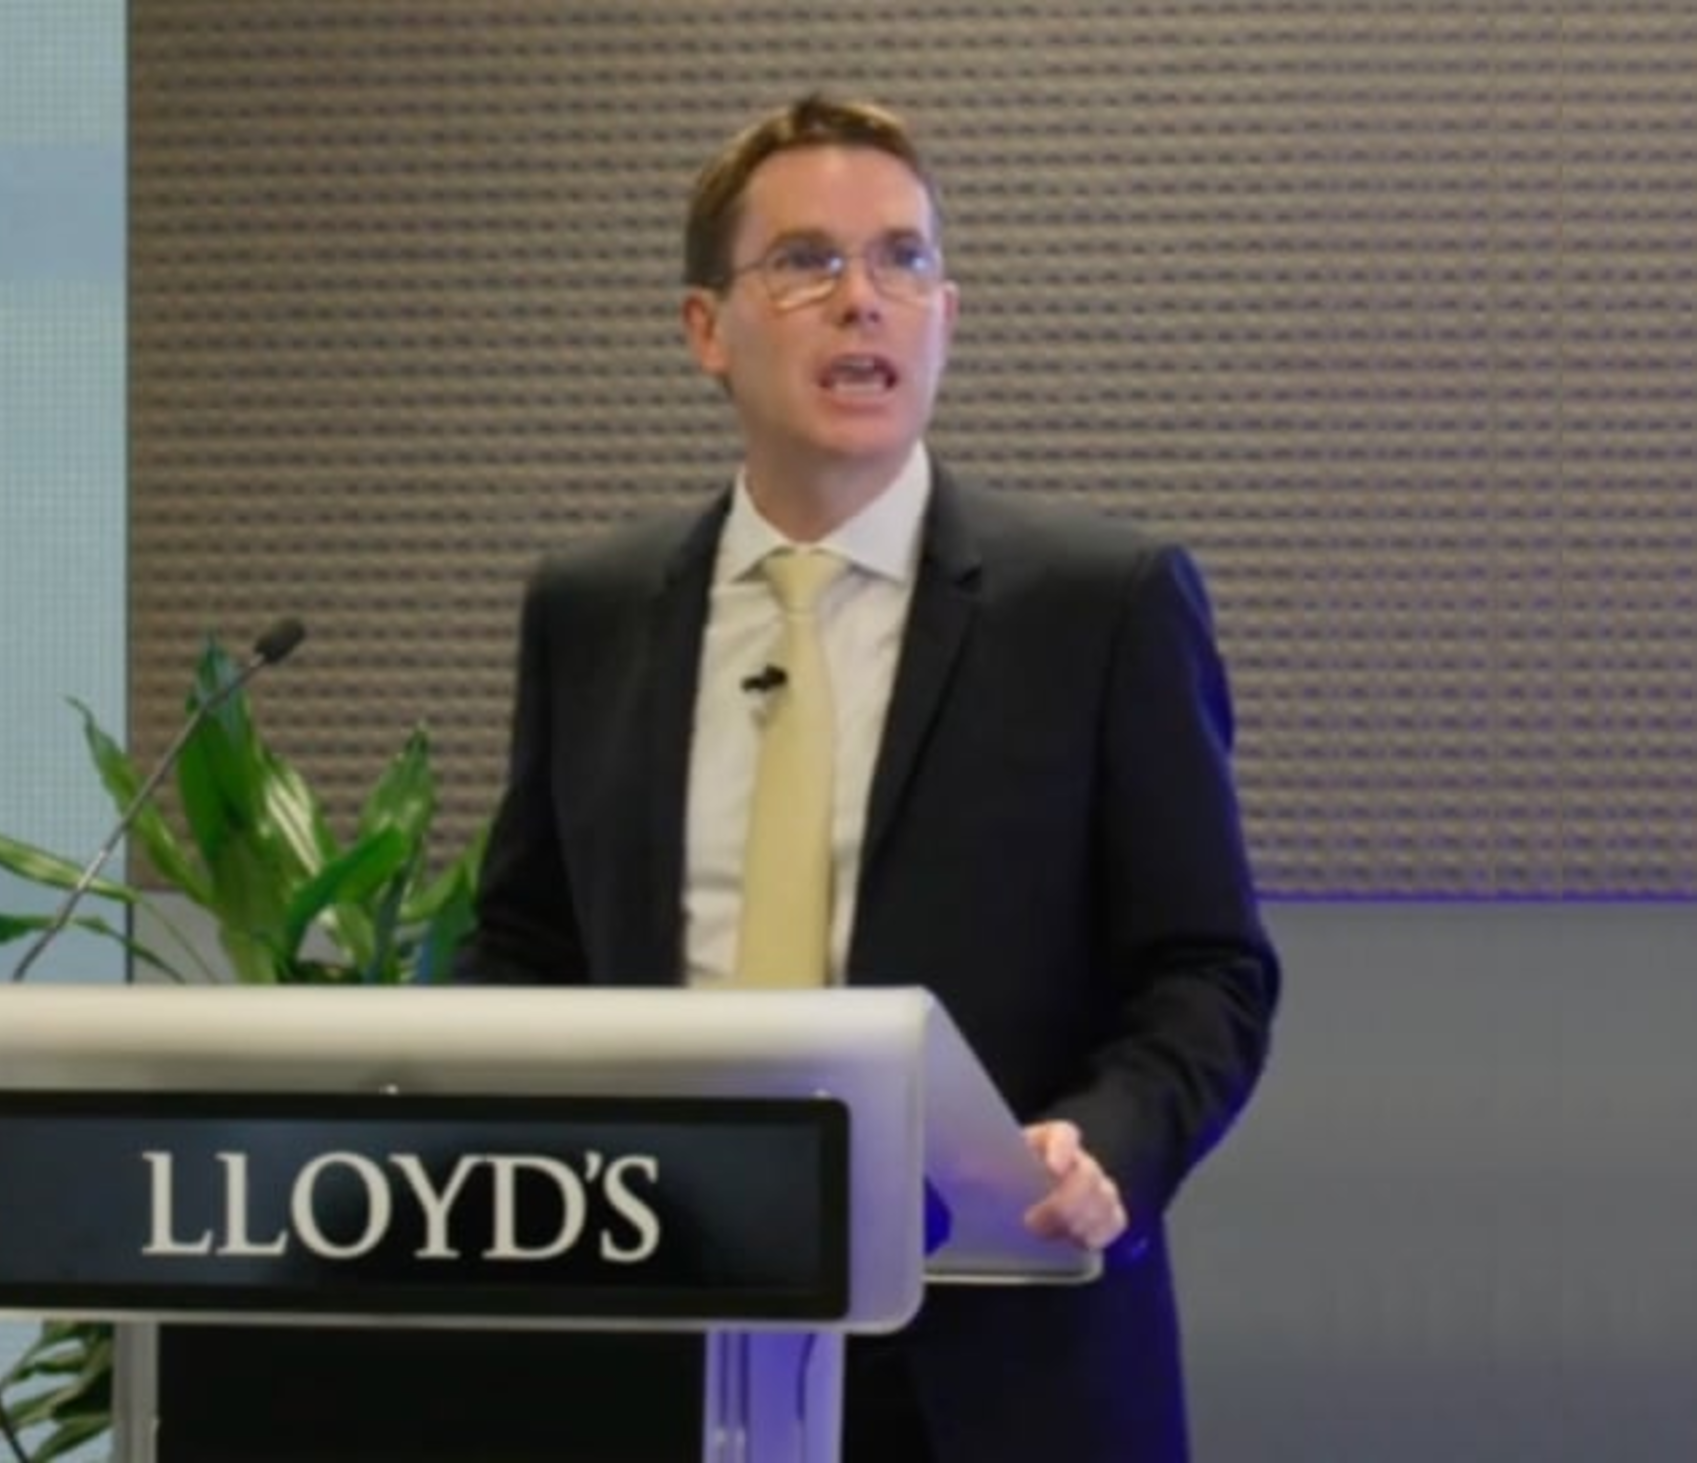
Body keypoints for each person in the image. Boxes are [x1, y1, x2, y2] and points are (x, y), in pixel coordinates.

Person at [456, 95, 1280, 1462]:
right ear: (705, 329)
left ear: (946, 316)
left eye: (903, 259)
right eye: (805, 262)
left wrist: (1100, 1143)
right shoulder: (590, 611)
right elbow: (527, 943)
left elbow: (1207, 970)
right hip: (658, 1331)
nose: (862, 299)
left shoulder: (1101, 604)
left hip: (992, 1356)